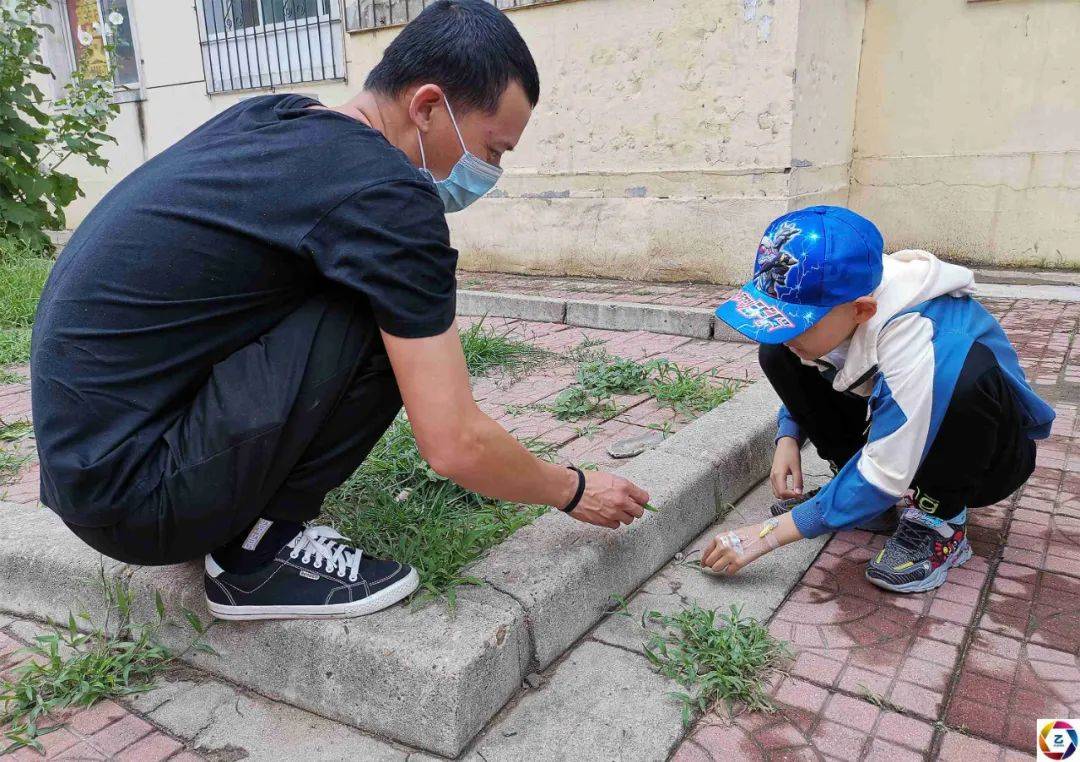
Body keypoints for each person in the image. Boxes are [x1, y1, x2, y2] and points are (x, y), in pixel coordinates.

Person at [30, 0, 650, 622]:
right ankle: (256, 555)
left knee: (363, 284)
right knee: (388, 308)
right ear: (428, 106)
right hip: (139, 502)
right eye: (492, 149)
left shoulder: (274, 117)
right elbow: (454, 442)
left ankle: (232, 513)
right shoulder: (390, 198)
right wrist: (570, 490)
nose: (491, 171)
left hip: (85, 471)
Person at [702, 206, 1054, 592]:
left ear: (862, 311)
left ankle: (940, 520)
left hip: (989, 457)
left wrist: (766, 535)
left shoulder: (925, 335)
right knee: (780, 353)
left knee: (960, 378)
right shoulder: (846, 295)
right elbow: (823, 363)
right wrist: (789, 435)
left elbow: (885, 471)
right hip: (901, 419)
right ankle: (860, 497)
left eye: (797, 323)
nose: (782, 331)